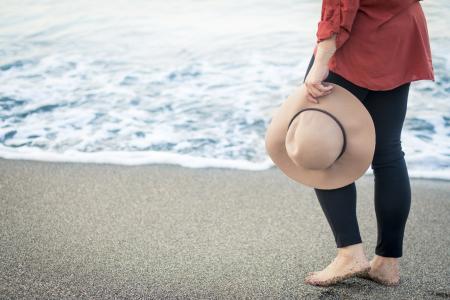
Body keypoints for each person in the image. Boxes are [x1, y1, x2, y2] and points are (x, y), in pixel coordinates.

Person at [302, 0, 435, 286]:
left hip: (357, 39)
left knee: (318, 146)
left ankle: (349, 253)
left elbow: (339, 5)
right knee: (387, 152)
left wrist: (321, 62)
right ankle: (387, 264)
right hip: (400, 31)